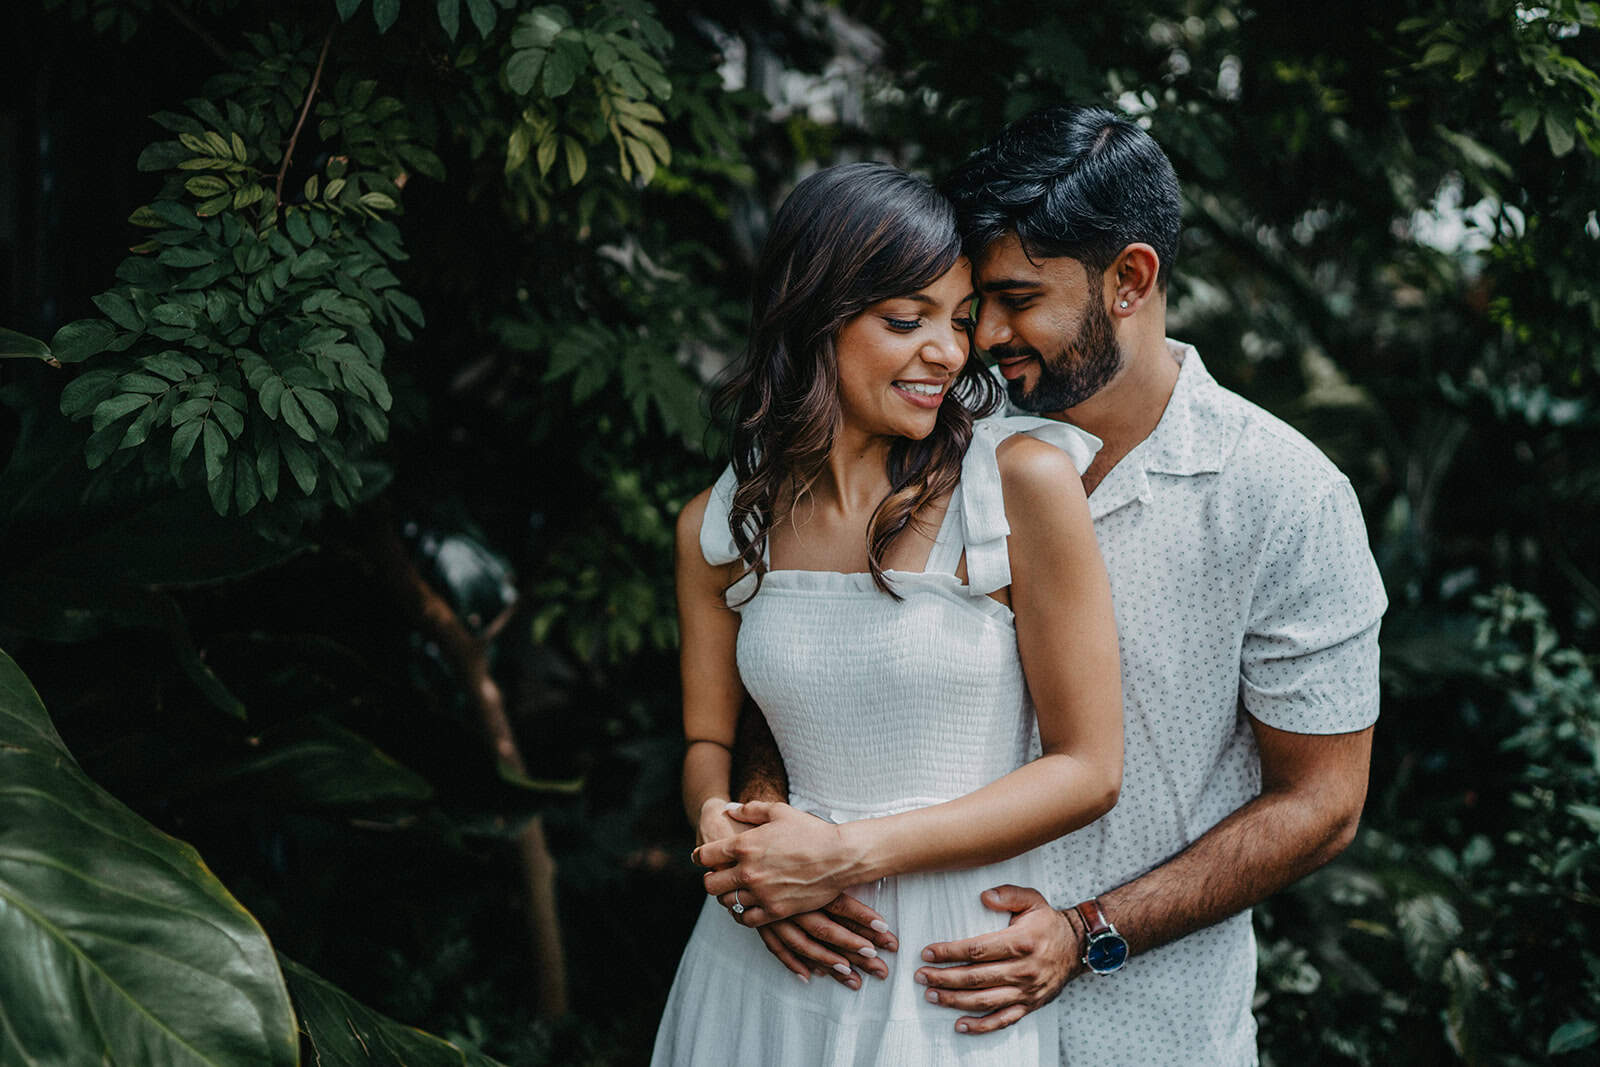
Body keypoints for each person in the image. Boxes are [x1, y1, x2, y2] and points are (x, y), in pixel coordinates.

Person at [705, 106, 1388, 1064]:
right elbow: (799, 663)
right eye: (968, 301)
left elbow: (1323, 803)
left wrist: (1089, 929)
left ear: (1131, 279)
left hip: (1145, 1027)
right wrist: (769, 838)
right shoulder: (926, 434)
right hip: (897, 1009)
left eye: (1016, 298)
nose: (979, 336)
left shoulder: (1282, 496)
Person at [650, 161, 1124, 1065]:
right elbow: (708, 744)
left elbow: (1090, 767)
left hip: (952, 973)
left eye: (956, 321)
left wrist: (846, 854)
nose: (948, 352)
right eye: (906, 321)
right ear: (813, 317)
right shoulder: (719, 524)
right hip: (763, 955)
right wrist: (721, 833)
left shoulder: (1016, 482)